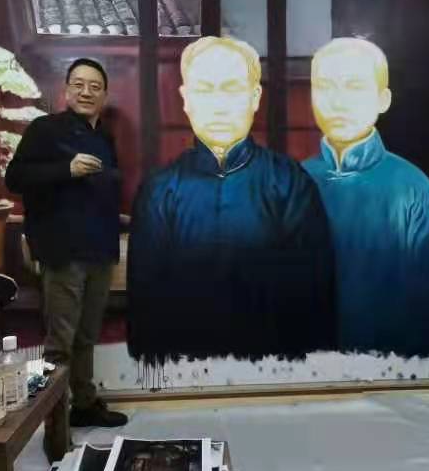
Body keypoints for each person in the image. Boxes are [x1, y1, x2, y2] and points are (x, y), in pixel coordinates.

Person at [128, 36, 335, 367]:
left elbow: (314, 290)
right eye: (205, 90)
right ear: (186, 99)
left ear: (255, 98)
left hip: (273, 365)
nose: (219, 105)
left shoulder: (289, 182)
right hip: (185, 369)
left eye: (231, 89)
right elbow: (145, 299)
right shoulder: (160, 189)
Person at [5, 58, 127, 463]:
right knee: (60, 343)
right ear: (66, 90)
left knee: (86, 335)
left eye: (95, 86)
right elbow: (14, 178)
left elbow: (102, 191)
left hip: (100, 250)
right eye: (79, 84)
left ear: (104, 94)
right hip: (63, 251)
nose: (86, 91)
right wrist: (66, 169)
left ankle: (85, 404)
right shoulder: (45, 129)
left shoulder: (104, 136)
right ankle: (55, 432)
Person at [302, 37, 429, 356]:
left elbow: (426, 309)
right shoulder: (291, 183)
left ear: (383, 99)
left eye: (354, 86)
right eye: (324, 86)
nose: (337, 102)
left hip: (386, 368)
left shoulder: (414, 188)